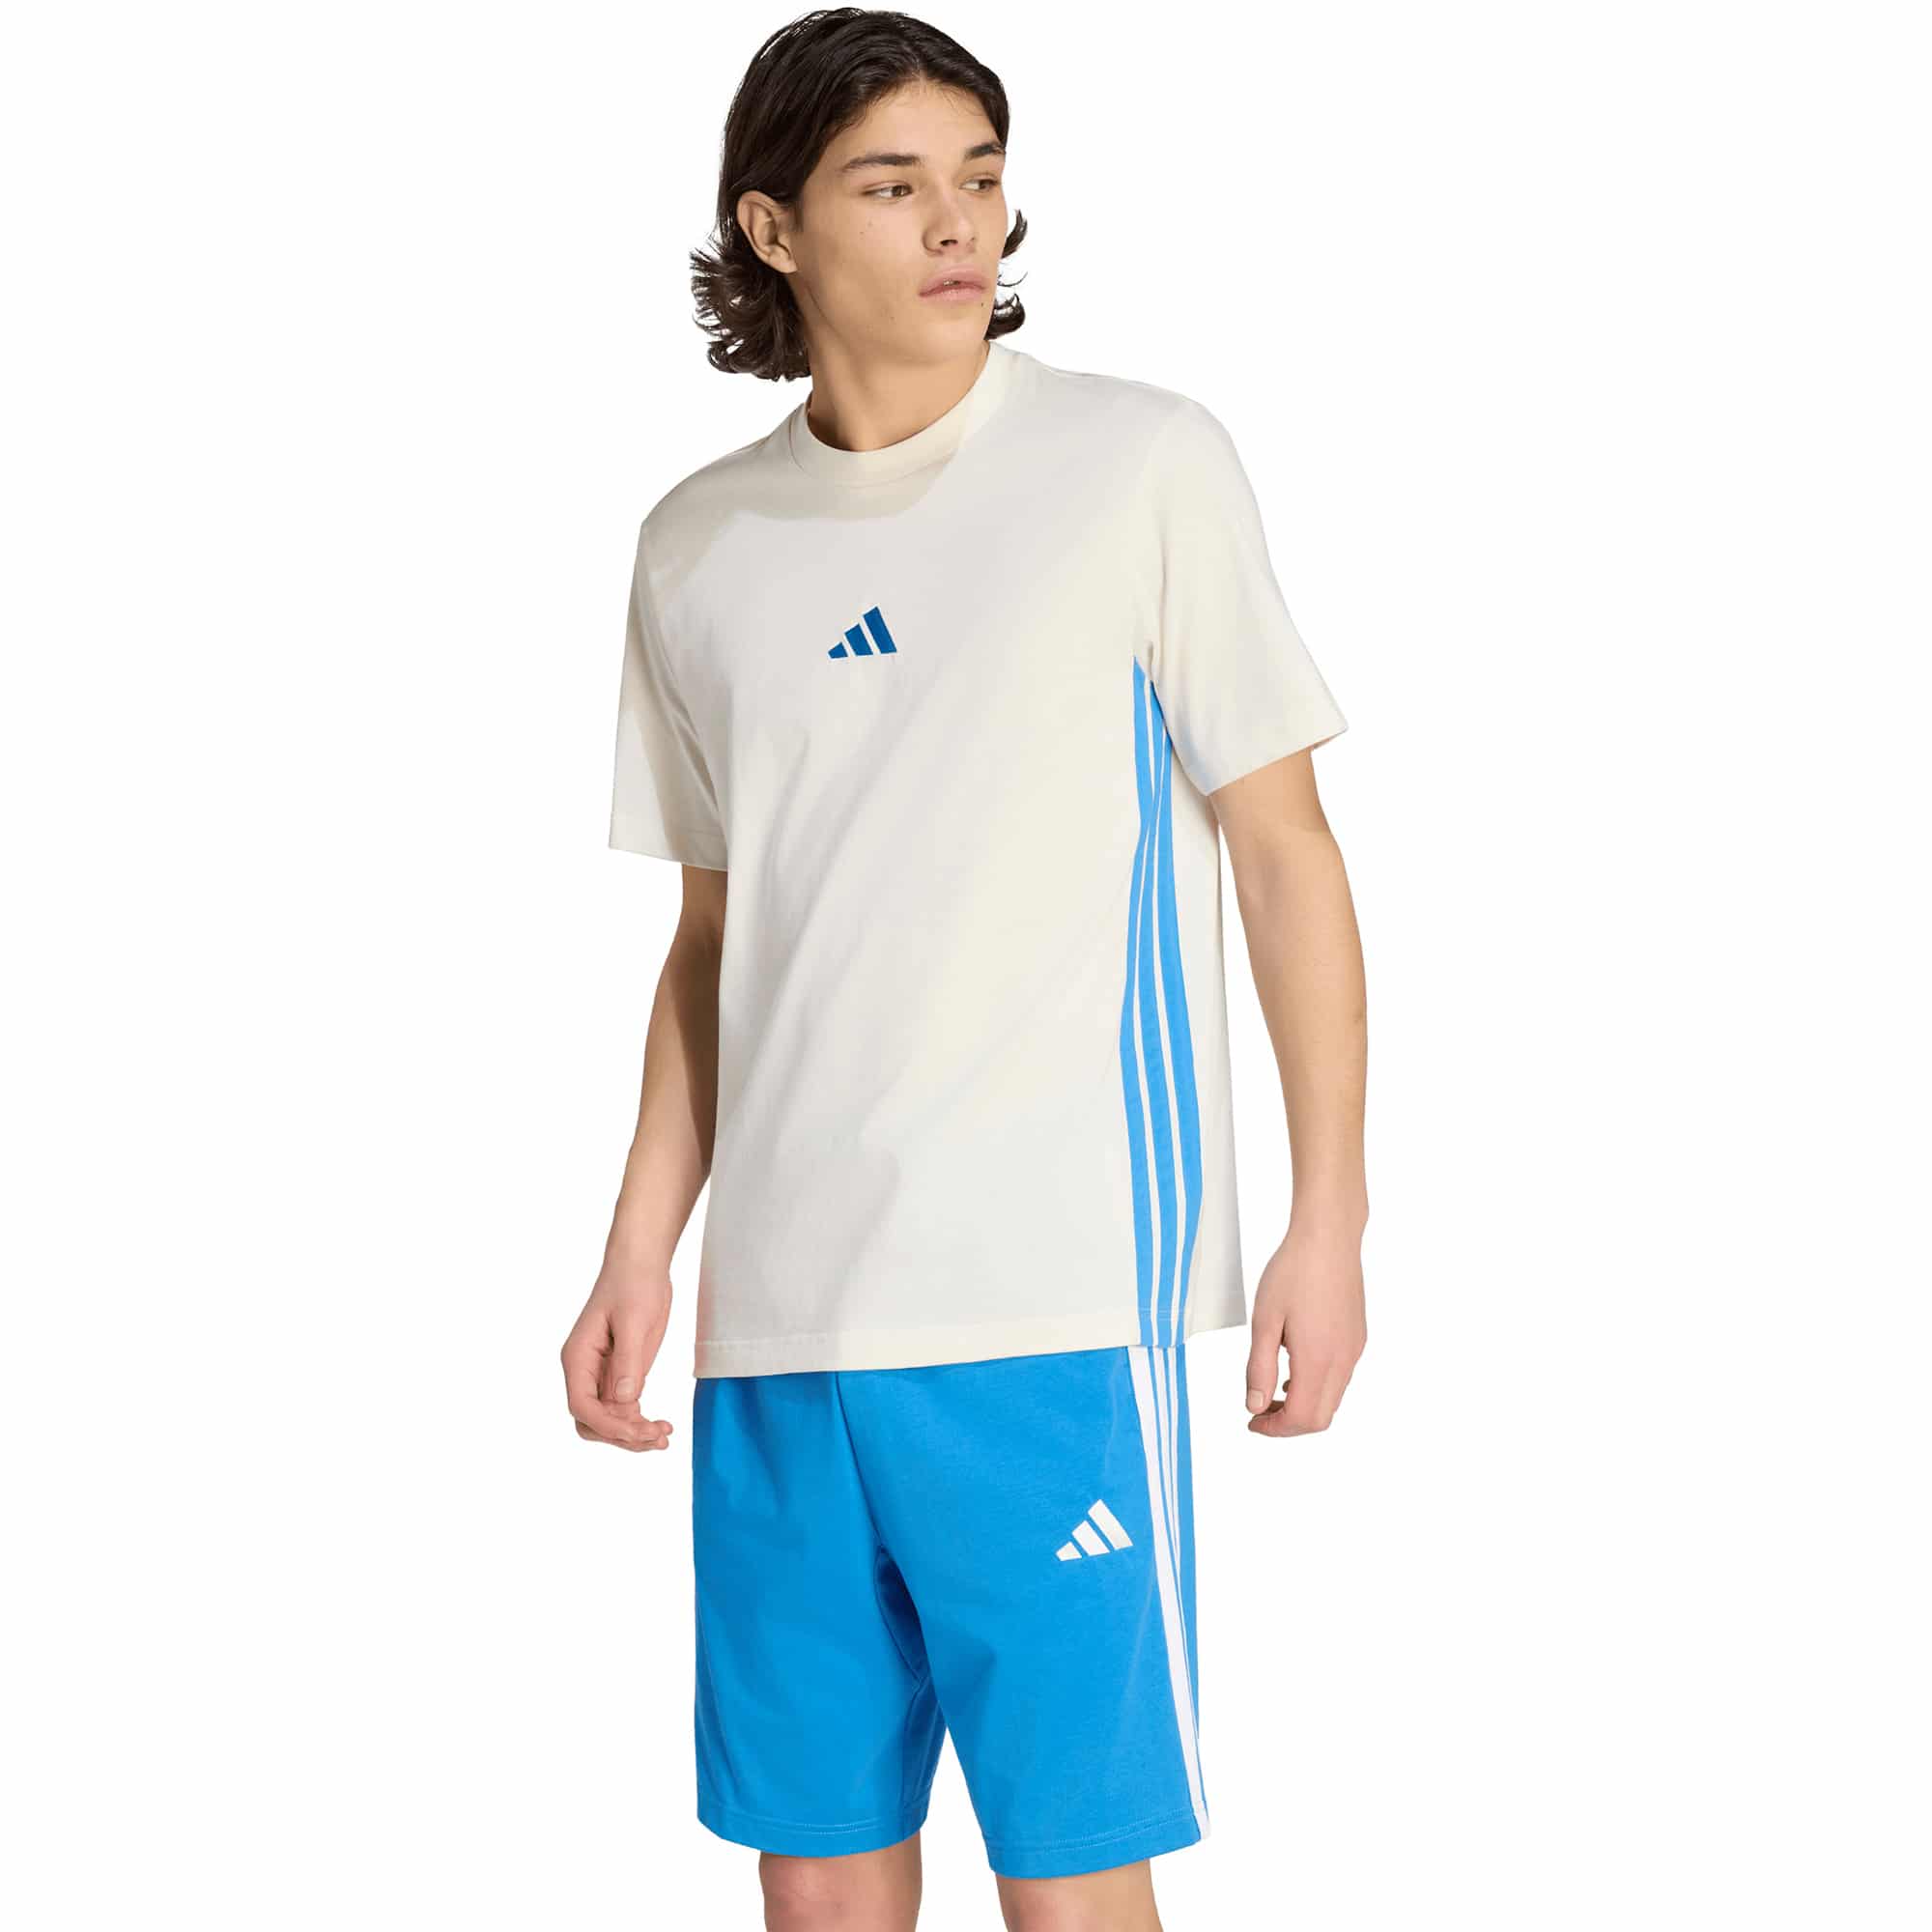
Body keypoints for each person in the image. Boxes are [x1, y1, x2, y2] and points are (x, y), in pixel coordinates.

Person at [561, 11, 1369, 1928]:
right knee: (818, 1876)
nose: (958, 224)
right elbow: (715, 939)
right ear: (771, 228)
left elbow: (1285, 852)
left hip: (1046, 1297)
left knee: (1071, 1874)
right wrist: (637, 1251)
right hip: (778, 1328)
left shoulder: (1135, 463)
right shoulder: (698, 544)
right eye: (893, 183)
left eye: (982, 178)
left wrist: (1327, 1217)